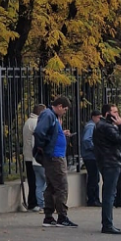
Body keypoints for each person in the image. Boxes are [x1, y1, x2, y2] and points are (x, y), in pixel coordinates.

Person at [33, 95, 77, 228]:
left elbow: (48, 132)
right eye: (64, 110)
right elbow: (39, 132)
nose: (64, 112)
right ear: (59, 106)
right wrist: (45, 147)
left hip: (54, 155)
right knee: (62, 187)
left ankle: (49, 216)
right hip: (55, 156)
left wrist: (61, 134)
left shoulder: (51, 116)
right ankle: (62, 216)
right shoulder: (48, 115)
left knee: (52, 187)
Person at [93, 103, 121, 234]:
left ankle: (108, 222)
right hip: (111, 162)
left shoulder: (101, 125)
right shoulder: (106, 126)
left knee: (109, 192)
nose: (117, 115)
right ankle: (107, 224)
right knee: (109, 194)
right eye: (114, 112)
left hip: (106, 161)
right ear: (107, 113)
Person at [22, 103, 46, 212]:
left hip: (28, 155)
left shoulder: (28, 121)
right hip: (34, 157)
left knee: (32, 180)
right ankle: (35, 203)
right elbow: (38, 139)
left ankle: (32, 202)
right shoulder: (37, 123)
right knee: (37, 181)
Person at [81, 110, 102, 207]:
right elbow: (86, 140)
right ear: (94, 117)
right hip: (90, 156)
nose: (100, 120)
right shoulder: (91, 126)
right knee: (94, 178)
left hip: (90, 155)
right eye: (99, 117)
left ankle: (93, 199)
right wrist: (95, 148)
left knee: (94, 177)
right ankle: (93, 199)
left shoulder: (92, 126)